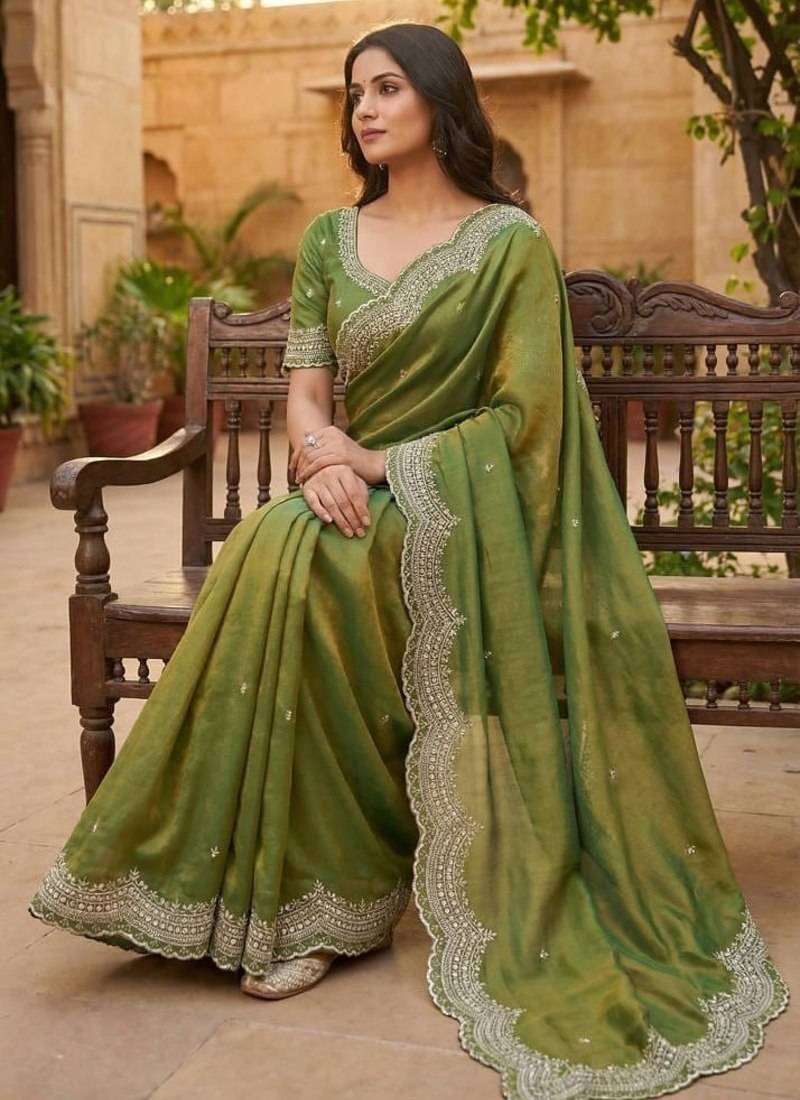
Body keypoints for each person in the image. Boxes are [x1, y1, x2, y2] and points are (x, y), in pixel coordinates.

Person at [29, 20, 788, 1100]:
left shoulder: (508, 245)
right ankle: (274, 892)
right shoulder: (329, 240)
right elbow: (305, 390)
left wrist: (379, 460)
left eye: (387, 88)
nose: (366, 110)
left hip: (462, 510)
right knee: (282, 542)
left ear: (440, 98)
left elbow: (527, 422)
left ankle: (333, 895)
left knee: (316, 564)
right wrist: (315, 457)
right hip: (345, 490)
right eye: (355, 94)